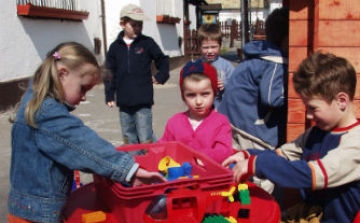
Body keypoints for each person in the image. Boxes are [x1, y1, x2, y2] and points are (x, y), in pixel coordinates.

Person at [7, 42, 166, 223]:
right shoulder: (47, 112)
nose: (83, 97)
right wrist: (130, 170)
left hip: (24, 208)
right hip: (38, 215)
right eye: (83, 88)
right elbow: (84, 145)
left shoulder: (34, 99)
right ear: (62, 74)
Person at [222, 51, 360, 223]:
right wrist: (248, 155)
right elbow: (282, 154)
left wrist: (258, 164)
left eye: (313, 108)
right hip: (309, 212)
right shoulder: (316, 133)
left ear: (341, 101)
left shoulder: (355, 144)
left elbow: (311, 175)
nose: (308, 115)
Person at [217, 7, 289, 193]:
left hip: (233, 120)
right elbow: (272, 98)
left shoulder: (258, 54)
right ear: (286, 39)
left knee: (236, 167)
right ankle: (259, 206)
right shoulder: (275, 61)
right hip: (252, 130)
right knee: (258, 176)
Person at [104, 3, 169, 144]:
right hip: (124, 100)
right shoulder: (115, 47)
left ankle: (149, 159)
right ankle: (134, 163)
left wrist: (160, 76)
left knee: (145, 135)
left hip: (143, 100)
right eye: (134, 25)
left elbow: (163, 60)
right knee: (128, 136)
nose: (138, 28)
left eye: (140, 24)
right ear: (122, 23)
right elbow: (109, 71)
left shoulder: (147, 43)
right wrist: (109, 94)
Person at [158, 59, 233, 164]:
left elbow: (224, 151)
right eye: (191, 95)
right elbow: (164, 146)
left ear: (214, 93)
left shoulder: (221, 122)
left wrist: (199, 156)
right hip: (180, 177)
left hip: (210, 178)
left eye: (205, 94)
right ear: (183, 96)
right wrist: (154, 150)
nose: (198, 101)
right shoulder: (174, 122)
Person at [197, 23, 235, 109]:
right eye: (206, 47)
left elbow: (235, 85)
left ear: (220, 46)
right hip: (201, 107)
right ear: (199, 47)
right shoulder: (196, 65)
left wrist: (224, 85)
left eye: (214, 47)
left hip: (221, 107)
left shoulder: (226, 66)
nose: (210, 51)